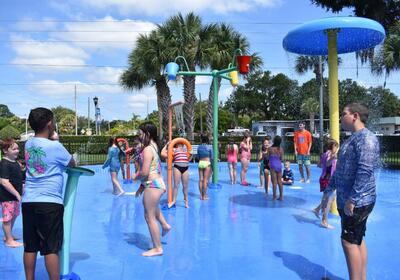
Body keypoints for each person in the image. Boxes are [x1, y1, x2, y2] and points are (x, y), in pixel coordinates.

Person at [322, 103, 379, 280]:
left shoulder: (366, 139)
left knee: (348, 242)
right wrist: (329, 189)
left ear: (355, 116)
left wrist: (352, 199)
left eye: (343, 114)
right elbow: (341, 170)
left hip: (358, 201)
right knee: (357, 239)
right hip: (352, 200)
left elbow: (365, 171)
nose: (340, 118)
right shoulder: (354, 138)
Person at [22, 107, 75, 280]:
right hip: (49, 202)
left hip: (29, 200)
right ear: (50, 124)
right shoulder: (55, 147)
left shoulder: (28, 144)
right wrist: (56, 140)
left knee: (30, 246)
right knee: (50, 248)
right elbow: (71, 163)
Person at [134, 122, 171, 257]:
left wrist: (135, 176)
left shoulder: (147, 149)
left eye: (140, 134)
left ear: (147, 134)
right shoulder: (154, 146)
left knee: (149, 217)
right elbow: (152, 169)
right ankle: (165, 226)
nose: (139, 136)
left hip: (153, 184)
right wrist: (141, 186)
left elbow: (144, 172)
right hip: (157, 183)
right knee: (153, 209)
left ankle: (157, 248)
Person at [0, 138, 23, 247]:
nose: (17, 151)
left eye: (17, 148)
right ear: (5, 151)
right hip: (7, 196)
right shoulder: (4, 164)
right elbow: (4, 182)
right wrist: (16, 193)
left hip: (14, 196)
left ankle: (8, 235)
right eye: (14, 149)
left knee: (14, 215)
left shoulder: (15, 162)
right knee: (7, 218)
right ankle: (9, 240)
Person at [313, 138, 338, 229]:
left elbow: (318, 165)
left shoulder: (324, 154)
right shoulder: (330, 155)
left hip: (325, 179)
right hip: (328, 180)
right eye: (336, 146)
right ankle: (324, 220)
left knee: (327, 198)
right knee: (328, 200)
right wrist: (332, 159)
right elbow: (327, 164)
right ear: (332, 146)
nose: (337, 148)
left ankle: (317, 209)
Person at [161, 142, 190, 208]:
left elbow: (188, 159)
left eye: (181, 144)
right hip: (177, 167)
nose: (180, 144)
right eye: (179, 143)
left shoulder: (185, 149)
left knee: (185, 186)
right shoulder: (173, 149)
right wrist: (167, 145)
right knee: (176, 185)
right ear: (176, 144)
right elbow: (162, 153)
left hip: (186, 167)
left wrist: (190, 155)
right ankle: (174, 201)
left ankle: (186, 201)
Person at [268, 135, 284, 200]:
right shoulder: (281, 149)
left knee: (274, 182)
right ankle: (281, 196)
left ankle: (274, 196)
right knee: (280, 181)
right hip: (279, 165)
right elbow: (281, 158)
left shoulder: (270, 149)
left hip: (273, 165)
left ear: (274, 141)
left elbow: (268, 157)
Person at [197, 134, 213, 200]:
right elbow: (212, 156)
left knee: (200, 180)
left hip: (200, 163)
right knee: (205, 180)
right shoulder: (209, 147)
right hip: (207, 163)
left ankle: (201, 195)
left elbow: (198, 156)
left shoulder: (199, 147)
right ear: (207, 140)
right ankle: (204, 196)